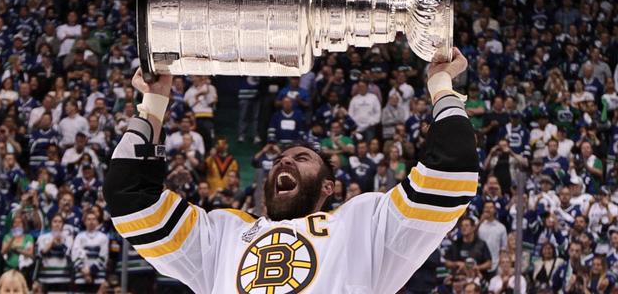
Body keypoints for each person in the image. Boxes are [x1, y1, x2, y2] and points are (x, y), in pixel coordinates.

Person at [103, 49, 479, 293]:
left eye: (301, 158)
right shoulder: (223, 234)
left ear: (328, 187)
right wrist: (152, 104)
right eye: (281, 158)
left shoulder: (363, 223)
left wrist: (441, 84)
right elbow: (130, 201)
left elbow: (450, 172)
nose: (284, 160)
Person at [72, 210, 108, 292]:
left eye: (94, 219)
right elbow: (75, 255)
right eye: (88, 219)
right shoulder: (79, 237)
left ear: (98, 221)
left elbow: (103, 257)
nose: (91, 221)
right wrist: (83, 271)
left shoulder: (103, 237)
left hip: (98, 278)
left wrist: (91, 271)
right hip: (81, 277)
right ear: (84, 222)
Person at [36, 214, 73, 291]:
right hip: (46, 277)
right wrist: (53, 240)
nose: (57, 224)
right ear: (51, 223)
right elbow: (42, 253)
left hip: (63, 277)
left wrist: (61, 242)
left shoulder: (68, 238)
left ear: (63, 224)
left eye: (60, 222)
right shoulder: (42, 237)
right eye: (55, 221)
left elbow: (67, 253)